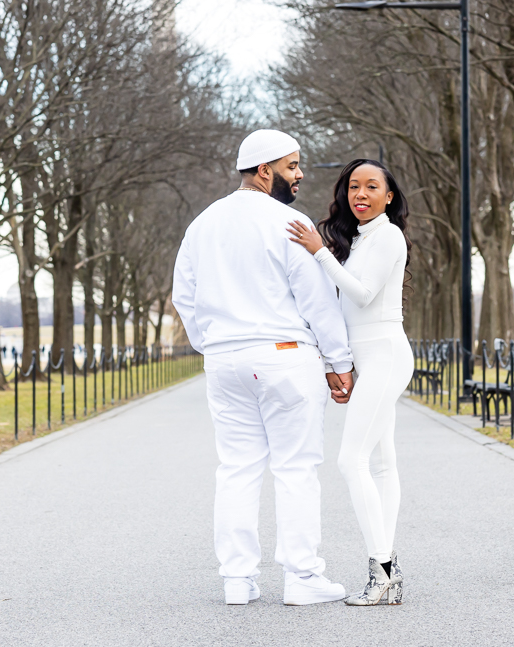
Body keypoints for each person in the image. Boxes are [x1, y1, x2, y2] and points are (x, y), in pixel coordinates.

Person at [172, 129, 356, 606]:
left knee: (236, 468)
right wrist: (339, 362)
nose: (298, 176)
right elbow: (317, 301)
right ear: (263, 169)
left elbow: (184, 297)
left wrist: (211, 344)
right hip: (283, 356)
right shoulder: (288, 223)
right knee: (296, 468)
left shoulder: (202, 224)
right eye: (292, 166)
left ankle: (237, 580)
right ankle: (302, 578)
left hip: (225, 360)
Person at [286, 159, 413, 606]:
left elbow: (362, 294)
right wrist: (340, 364)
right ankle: (388, 571)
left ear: (389, 195)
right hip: (367, 360)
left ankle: (382, 571)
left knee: (350, 460)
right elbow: (343, 309)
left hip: (386, 356)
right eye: (353, 187)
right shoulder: (358, 240)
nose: (360, 194)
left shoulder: (388, 236)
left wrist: (318, 251)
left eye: (371, 187)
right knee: (381, 463)